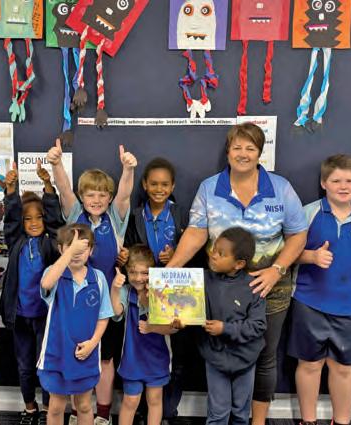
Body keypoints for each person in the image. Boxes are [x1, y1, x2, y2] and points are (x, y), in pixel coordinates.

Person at [167, 122, 308, 425]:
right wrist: (170, 270)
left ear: (260, 153)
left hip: (268, 286)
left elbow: (298, 235)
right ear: (228, 151)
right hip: (221, 288)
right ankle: (220, 416)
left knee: (264, 356)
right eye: (237, 147)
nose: (243, 154)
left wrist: (277, 270)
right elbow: (196, 232)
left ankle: (255, 421)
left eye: (250, 148)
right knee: (217, 347)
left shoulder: (281, 188)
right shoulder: (209, 188)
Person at [289, 155, 351, 425]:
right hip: (308, 302)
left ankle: (342, 421)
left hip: (349, 307)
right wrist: (311, 256)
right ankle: (308, 421)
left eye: (349, 180)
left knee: (343, 369)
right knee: (309, 365)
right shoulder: (307, 213)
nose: (343, 186)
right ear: (324, 183)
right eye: (336, 181)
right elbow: (285, 253)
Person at [47, 139, 137, 425]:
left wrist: (128, 170)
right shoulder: (75, 215)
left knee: (105, 358)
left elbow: (125, 194)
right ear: (82, 197)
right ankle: (78, 412)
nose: (96, 200)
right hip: (75, 302)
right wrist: (56, 164)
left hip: (108, 300)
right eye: (90, 195)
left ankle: (102, 414)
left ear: (108, 198)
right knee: (78, 353)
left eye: (102, 195)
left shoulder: (116, 218)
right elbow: (63, 189)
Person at [123, 157, 192, 423]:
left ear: (172, 186)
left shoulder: (181, 215)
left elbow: (195, 251)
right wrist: (125, 259)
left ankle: (167, 411)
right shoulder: (135, 216)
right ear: (144, 184)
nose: (159, 189)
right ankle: (143, 412)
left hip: (173, 294)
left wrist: (176, 256)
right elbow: (130, 251)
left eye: (164, 184)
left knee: (174, 352)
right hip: (141, 291)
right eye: (153, 184)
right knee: (142, 346)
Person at [1, 160, 65, 425]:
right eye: (28, 219)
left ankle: (50, 410)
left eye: (39, 217)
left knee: (46, 365)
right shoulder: (16, 241)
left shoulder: (51, 243)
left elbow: (57, 222)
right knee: (25, 366)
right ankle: (30, 408)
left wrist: (48, 184)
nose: (35, 223)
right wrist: (11, 189)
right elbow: (11, 218)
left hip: (45, 317)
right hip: (20, 317)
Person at [38, 224, 114, 425]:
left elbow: (103, 316)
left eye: (82, 248)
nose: (77, 253)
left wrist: (93, 343)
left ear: (91, 250)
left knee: (84, 405)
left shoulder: (98, 279)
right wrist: (70, 251)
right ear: (61, 249)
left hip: (85, 354)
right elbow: (46, 284)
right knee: (56, 407)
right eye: (71, 247)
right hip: (56, 353)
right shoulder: (54, 273)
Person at [199, 227, 266, 425]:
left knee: (240, 414)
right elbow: (186, 308)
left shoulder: (254, 286)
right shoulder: (202, 280)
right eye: (214, 249)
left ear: (239, 264)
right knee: (218, 413)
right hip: (215, 358)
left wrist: (225, 328)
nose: (213, 255)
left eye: (221, 254)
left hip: (245, 359)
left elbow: (258, 325)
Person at [110, 245, 176, 425]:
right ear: (126, 271)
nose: (138, 278)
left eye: (144, 273)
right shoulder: (126, 291)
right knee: (130, 401)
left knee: (155, 400)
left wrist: (152, 327)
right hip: (132, 358)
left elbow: (172, 328)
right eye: (133, 272)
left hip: (157, 357)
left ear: (153, 272)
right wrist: (115, 288)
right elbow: (116, 312)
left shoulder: (162, 293)